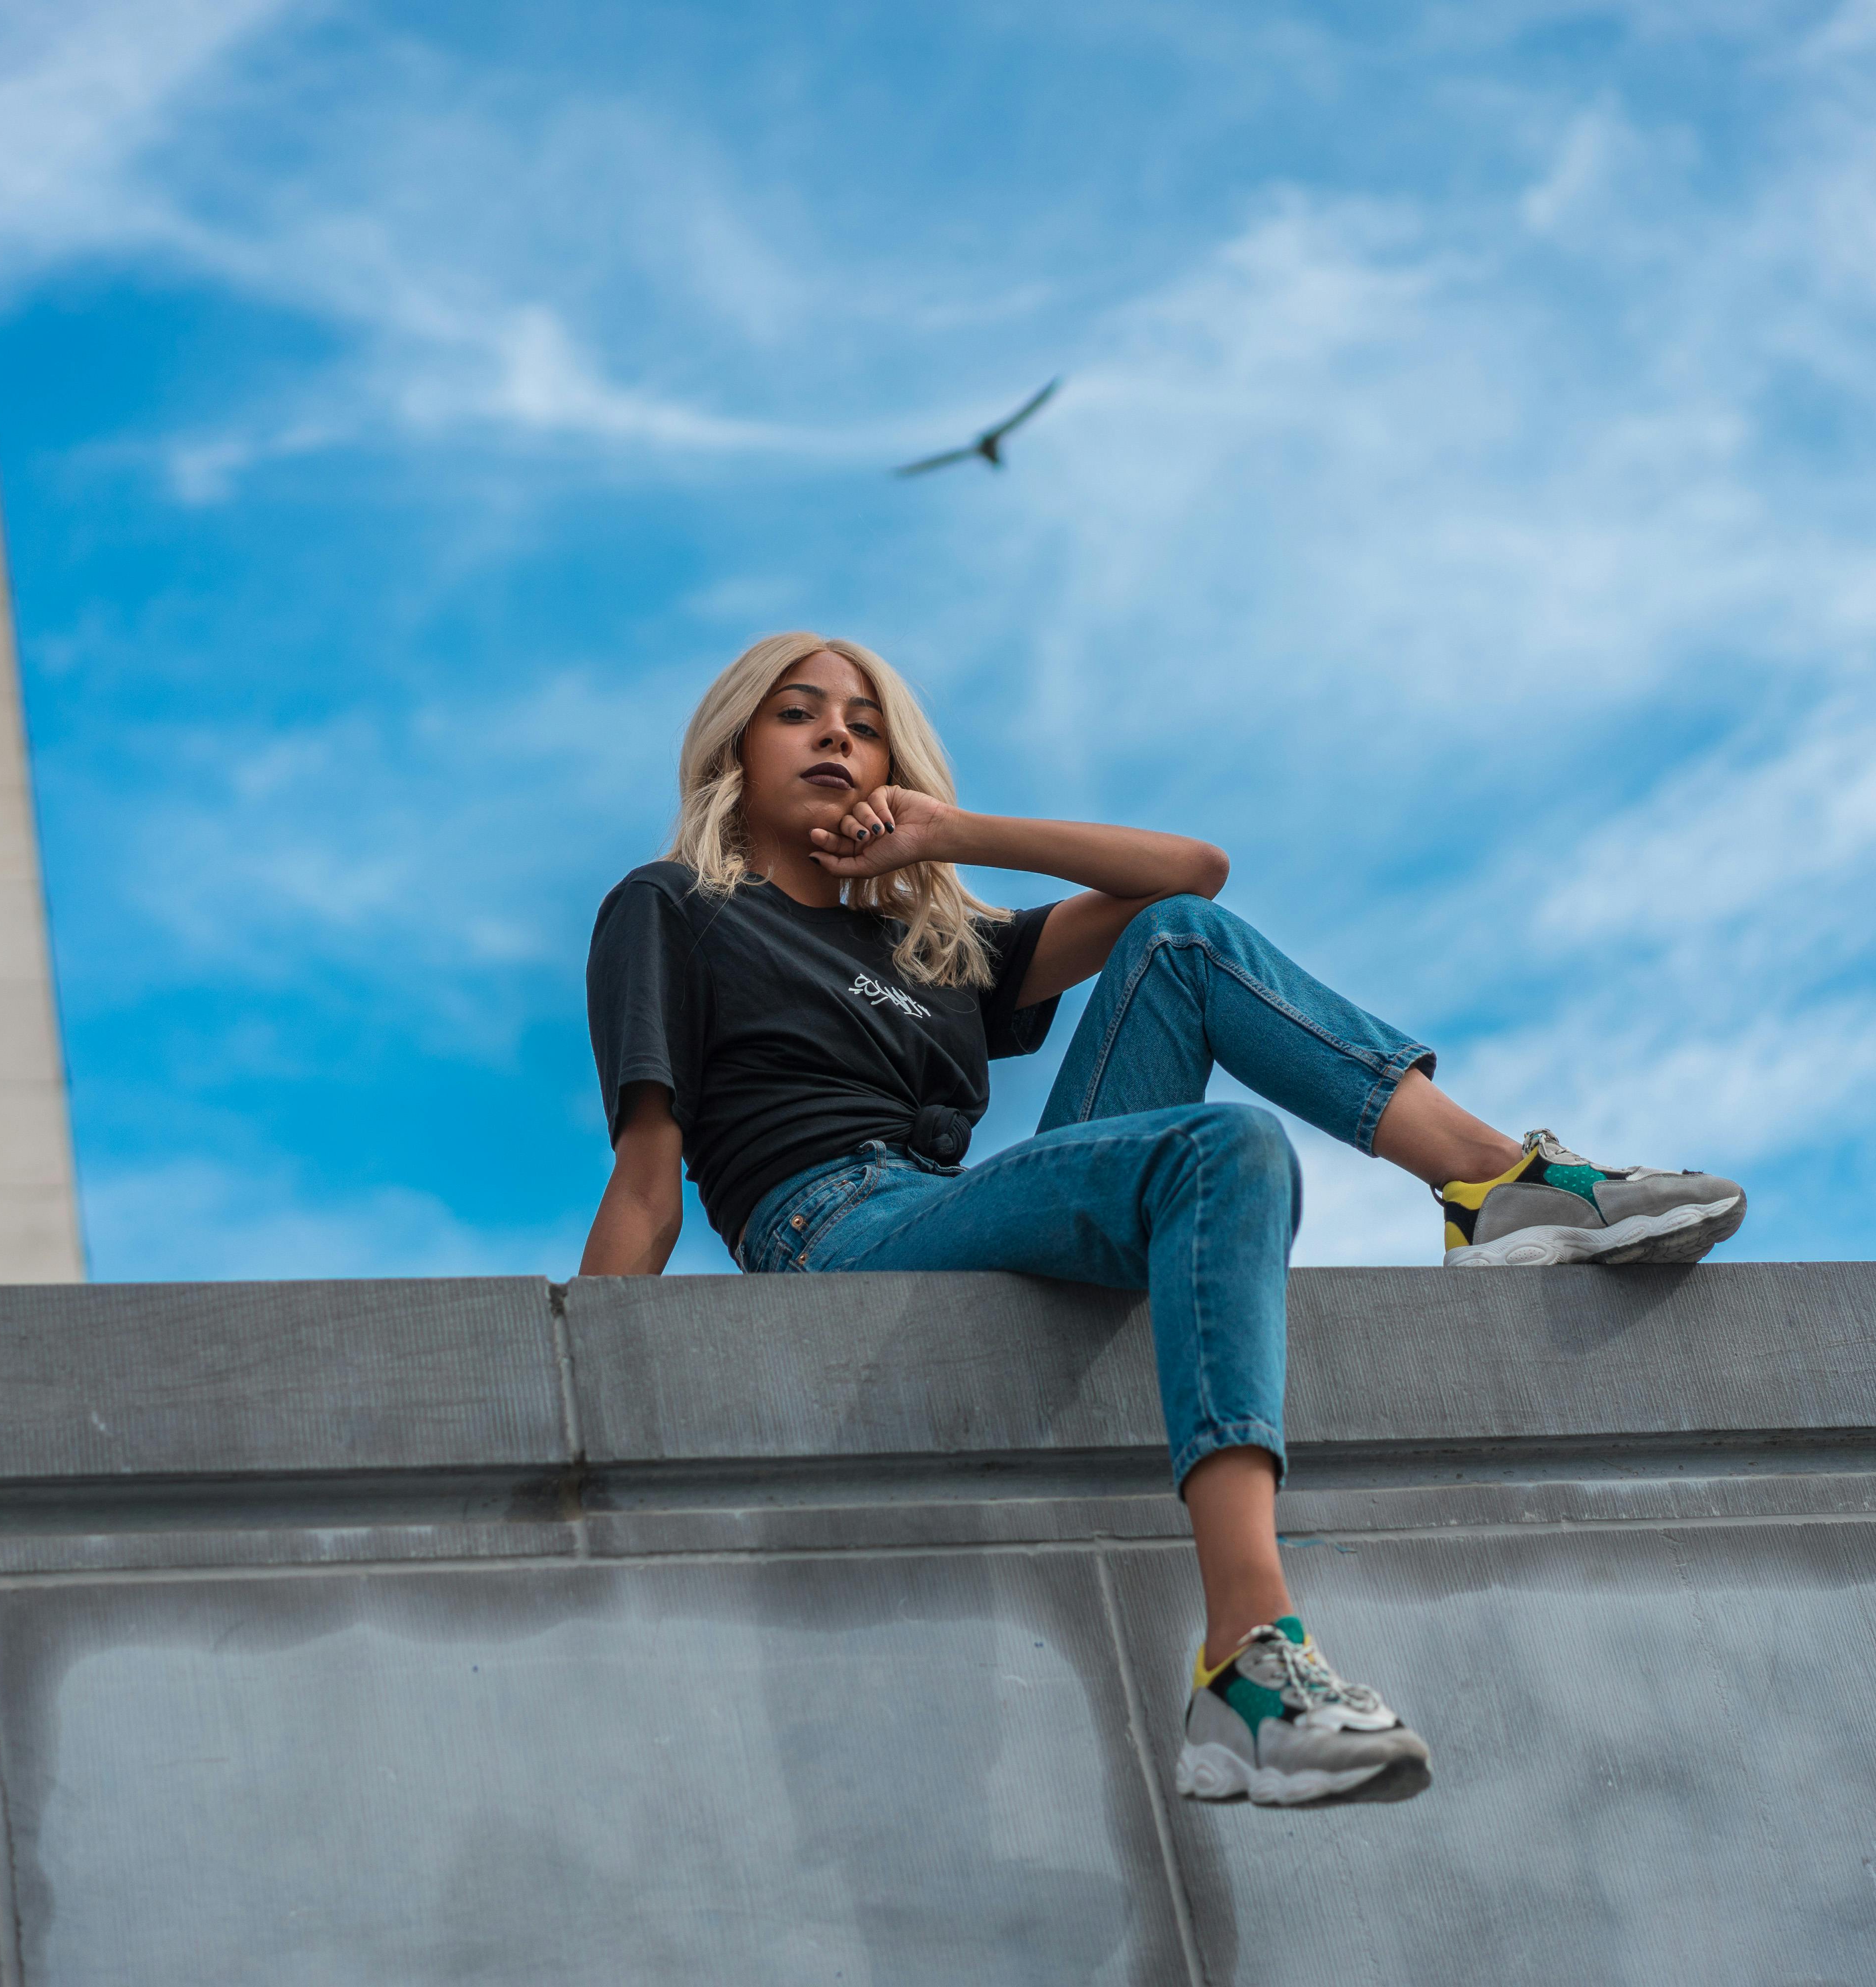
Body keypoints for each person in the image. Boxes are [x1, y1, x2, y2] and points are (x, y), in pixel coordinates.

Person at [579, 632, 1745, 1806]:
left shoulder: (929, 947)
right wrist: (582, 1396)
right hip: (834, 1228)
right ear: (735, 743)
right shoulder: (677, 906)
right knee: (1228, 1145)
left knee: (1181, 944)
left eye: (865, 720)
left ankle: (1495, 1184)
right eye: (798, 711)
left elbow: (1191, 873)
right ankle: (1248, 1656)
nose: (838, 732)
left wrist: (947, 834)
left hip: (962, 1211)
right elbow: (648, 1178)